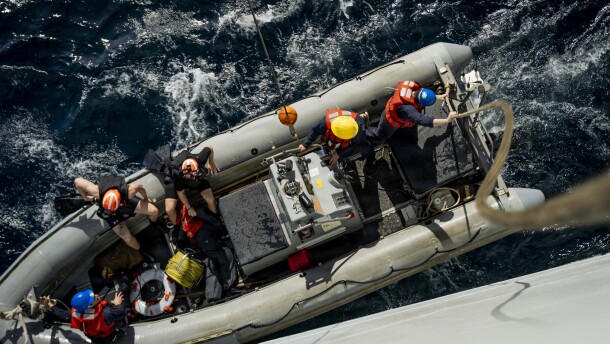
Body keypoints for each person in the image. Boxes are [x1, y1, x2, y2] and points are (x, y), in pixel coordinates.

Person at [74, 176, 159, 250]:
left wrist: (146, 199)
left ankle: (153, 225)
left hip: (125, 205)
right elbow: (77, 181)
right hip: (109, 212)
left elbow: (140, 187)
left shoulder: (129, 192)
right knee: (127, 237)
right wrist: (85, 197)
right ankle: (140, 248)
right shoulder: (96, 191)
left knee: (154, 211)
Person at [144, 146, 220, 226]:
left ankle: (215, 221)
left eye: (190, 175)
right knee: (169, 210)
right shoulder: (178, 174)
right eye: (187, 175)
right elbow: (180, 192)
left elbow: (210, 148)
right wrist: (189, 208)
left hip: (196, 181)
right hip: (177, 181)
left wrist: (211, 162)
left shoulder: (200, 158)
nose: (188, 176)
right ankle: (178, 227)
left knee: (211, 200)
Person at [366, 80, 457, 145]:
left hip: (396, 110)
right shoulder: (409, 110)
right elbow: (424, 120)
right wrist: (447, 120)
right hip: (389, 121)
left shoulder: (412, 88)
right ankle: (364, 135)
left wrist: (437, 97)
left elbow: (423, 95)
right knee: (381, 135)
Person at [177, 204, 236, 290]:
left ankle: (213, 295)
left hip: (202, 245)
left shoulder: (185, 221)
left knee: (212, 265)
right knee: (225, 256)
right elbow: (217, 225)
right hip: (208, 241)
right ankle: (229, 284)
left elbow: (181, 239)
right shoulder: (200, 213)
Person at [40, 289, 127, 343]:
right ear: (89, 306)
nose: (96, 296)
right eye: (93, 298)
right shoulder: (106, 314)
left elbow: (63, 315)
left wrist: (48, 304)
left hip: (95, 338)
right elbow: (121, 312)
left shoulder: (76, 314)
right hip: (108, 337)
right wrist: (117, 303)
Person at [298, 109, 371, 165]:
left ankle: (363, 118)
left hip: (356, 122)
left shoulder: (358, 131)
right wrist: (305, 144)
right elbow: (315, 131)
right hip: (339, 127)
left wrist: (338, 154)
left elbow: (354, 145)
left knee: (362, 146)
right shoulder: (326, 122)